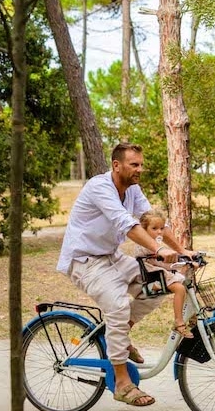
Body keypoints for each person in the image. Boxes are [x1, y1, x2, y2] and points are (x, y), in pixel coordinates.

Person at [56, 142, 191, 407]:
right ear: (117, 165)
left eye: (141, 164)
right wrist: (159, 249)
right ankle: (121, 383)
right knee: (117, 307)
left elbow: (155, 223)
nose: (140, 169)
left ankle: (120, 335)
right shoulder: (99, 187)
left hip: (111, 255)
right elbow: (125, 223)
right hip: (84, 261)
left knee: (160, 284)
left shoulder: (133, 190)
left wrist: (183, 250)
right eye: (134, 165)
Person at [135, 210, 194, 339]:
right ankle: (179, 322)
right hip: (152, 274)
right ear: (144, 230)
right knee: (179, 288)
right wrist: (179, 263)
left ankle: (193, 316)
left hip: (160, 271)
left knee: (185, 283)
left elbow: (166, 260)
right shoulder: (147, 245)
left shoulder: (156, 244)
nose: (159, 232)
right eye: (154, 228)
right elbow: (160, 262)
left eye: (162, 228)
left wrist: (184, 260)